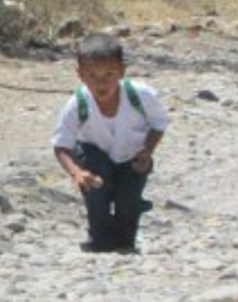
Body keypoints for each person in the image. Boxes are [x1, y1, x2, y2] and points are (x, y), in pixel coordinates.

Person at [51, 31, 170, 253]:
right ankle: (100, 235)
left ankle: (126, 234)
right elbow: (61, 145)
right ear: (80, 75)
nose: (101, 83)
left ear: (122, 71)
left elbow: (159, 124)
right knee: (96, 186)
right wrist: (76, 173)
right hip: (93, 158)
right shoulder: (77, 104)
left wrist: (147, 151)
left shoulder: (140, 96)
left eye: (108, 74)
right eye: (92, 76)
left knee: (128, 202)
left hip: (132, 158)